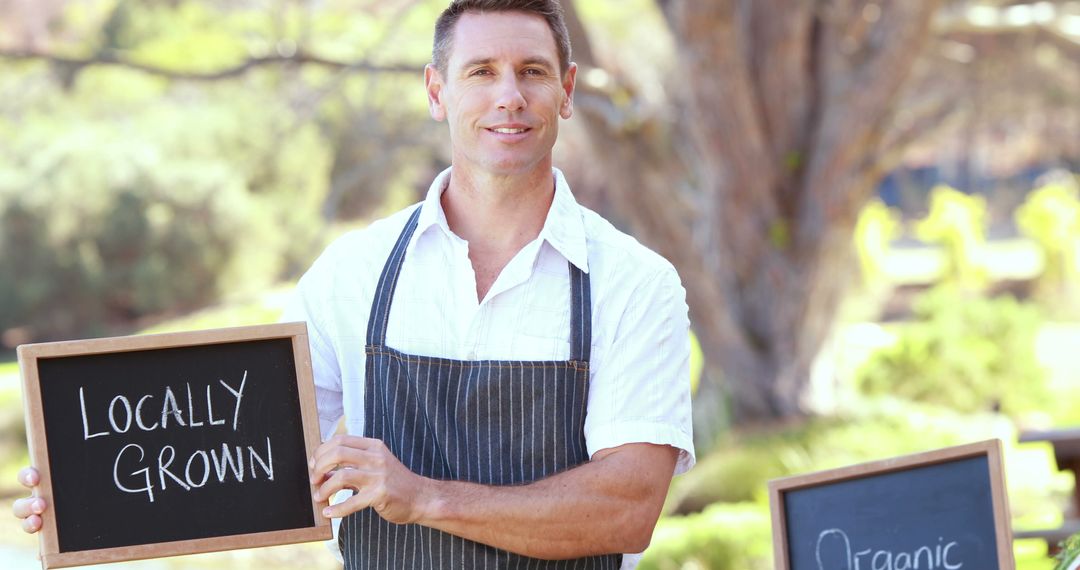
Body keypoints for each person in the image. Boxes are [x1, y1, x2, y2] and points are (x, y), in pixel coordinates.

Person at [13, 1, 694, 567]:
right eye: (481, 71)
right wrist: (84, 494)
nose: (508, 96)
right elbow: (252, 454)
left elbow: (625, 509)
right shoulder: (353, 272)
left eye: (532, 72)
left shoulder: (633, 284)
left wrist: (424, 497)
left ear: (566, 91)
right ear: (437, 91)